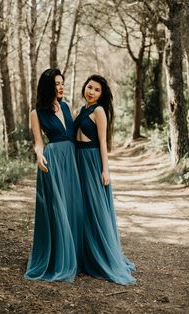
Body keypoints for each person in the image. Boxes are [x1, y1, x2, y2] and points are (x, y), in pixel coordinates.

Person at [74, 74, 136, 285]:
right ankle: (85, 254)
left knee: (96, 207)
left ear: (101, 95)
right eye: (89, 87)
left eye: (96, 90)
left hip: (92, 161)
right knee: (83, 208)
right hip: (79, 162)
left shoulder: (99, 111)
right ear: (85, 87)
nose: (91, 92)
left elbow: (103, 142)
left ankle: (102, 256)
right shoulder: (82, 110)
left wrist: (105, 170)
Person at [24, 68, 83, 282]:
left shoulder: (66, 106)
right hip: (53, 161)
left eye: (62, 83)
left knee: (73, 206)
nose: (61, 87)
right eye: (57, 84)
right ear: (48, 87)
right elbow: (39, 143)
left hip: (72, 160)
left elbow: (75, 134)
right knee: (58, 209)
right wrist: (39, 156)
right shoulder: (36, 113)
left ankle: (75, 256)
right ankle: (59, 258)